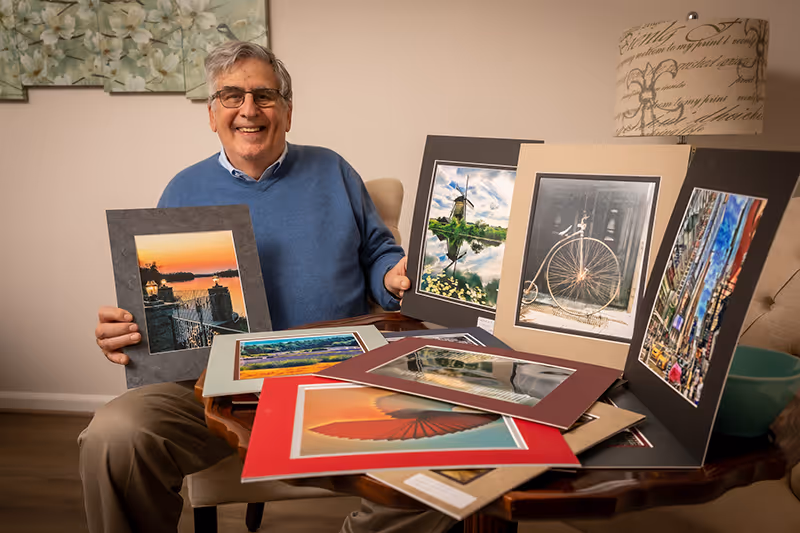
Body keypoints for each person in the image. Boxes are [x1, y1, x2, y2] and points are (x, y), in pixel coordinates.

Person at [81, 41, 456, 533]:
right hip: (215, 393)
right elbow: (161, 300)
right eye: (232, 96)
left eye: (265, 95)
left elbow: (379, 255)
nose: (249, 110)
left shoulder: (334, 171)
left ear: (289, 111)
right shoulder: (181, 190)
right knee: (113, 435)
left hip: (338, 379)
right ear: (212, 114)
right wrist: (130, 331)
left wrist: (392, 276)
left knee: (451, 461)